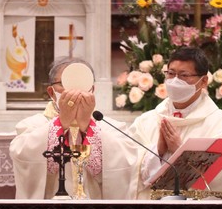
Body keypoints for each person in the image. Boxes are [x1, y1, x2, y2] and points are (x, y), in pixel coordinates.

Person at [10, 57, 141, 200]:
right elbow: (23, 156)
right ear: (51, 92)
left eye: (81, 82)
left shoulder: (112, 127)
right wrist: (62, 122)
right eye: (63, 83)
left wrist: (86, 126)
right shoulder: (33, 125)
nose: (73, 90)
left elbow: (125, 166)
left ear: (93, 89)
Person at [130, 47, 222, 199]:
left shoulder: (221, 123)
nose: (175, 81)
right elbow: (129, 169)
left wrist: (180, 151)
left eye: (184, 75)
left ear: (203, 81)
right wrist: (158, 152)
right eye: (171, 74)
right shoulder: (146, 121)